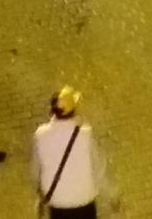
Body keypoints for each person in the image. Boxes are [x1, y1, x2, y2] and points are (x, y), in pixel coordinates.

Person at [31, 86, 109, 219]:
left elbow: (35, 171)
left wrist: (40, 194)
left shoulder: (41, 135)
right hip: (84, 203)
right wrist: (111, 195)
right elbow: (99, 168)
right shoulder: (85, 134)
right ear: (74, 110)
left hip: (57, 205)